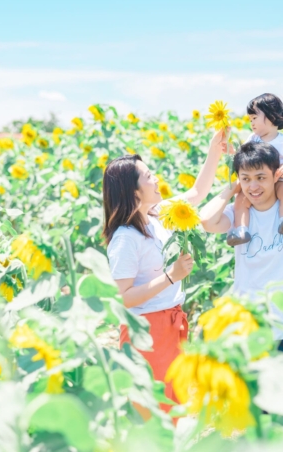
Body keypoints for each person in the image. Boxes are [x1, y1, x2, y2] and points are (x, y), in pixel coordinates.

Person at [103, 130, 226, 416]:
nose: (156, 179)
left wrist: (215, 151)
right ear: (133, 191)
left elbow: (197, 193)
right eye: (148, 176)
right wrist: (171, 276)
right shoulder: (125, 238)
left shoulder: (158, 213)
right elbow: (123, 298)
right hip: (145, 332)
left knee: (174, 403)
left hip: (172, 323)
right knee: (151, 411)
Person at [200, 141, 283, 371]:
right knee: (258, 405)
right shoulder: (238, 216)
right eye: (246, 179)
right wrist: (234, 187)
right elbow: (206, 220)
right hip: (250, 328)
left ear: (275, 175)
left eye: (261, 177)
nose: (253, 186)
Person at [227, 93, 283, 246]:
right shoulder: (253, 139)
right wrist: (231, 150)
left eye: (254, 118)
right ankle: (241, 229)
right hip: (257, 181)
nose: (252, 123)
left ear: (271, 116)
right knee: (241, 199)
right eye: (250, 120)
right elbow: (243, 153)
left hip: (280, 180)